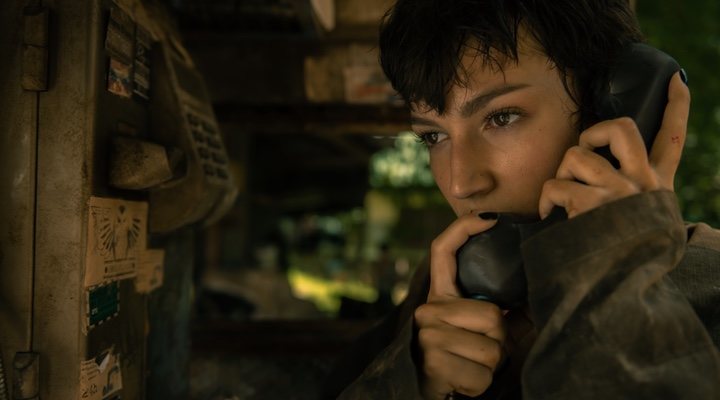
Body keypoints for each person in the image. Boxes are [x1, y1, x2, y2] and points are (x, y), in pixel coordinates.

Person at [322, 0, 720, 399]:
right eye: (434, 136)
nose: (461, 183)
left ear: (608, 115)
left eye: (502, 117)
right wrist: (410, 383)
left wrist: (616, 293)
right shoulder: (434, 302)